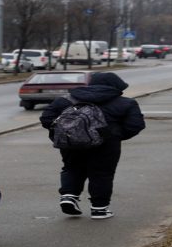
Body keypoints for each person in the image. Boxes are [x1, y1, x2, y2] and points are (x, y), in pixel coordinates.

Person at [40, 72, 145, 219]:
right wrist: (114, 135)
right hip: (106, 144)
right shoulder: (125, 103)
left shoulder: (65, 100)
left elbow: (46, 118)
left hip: (70, 143)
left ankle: (69, 197)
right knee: (102, 173)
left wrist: (65, 132)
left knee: (71, 168)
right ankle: (99, 209)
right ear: (115, 86)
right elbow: (135, 125)